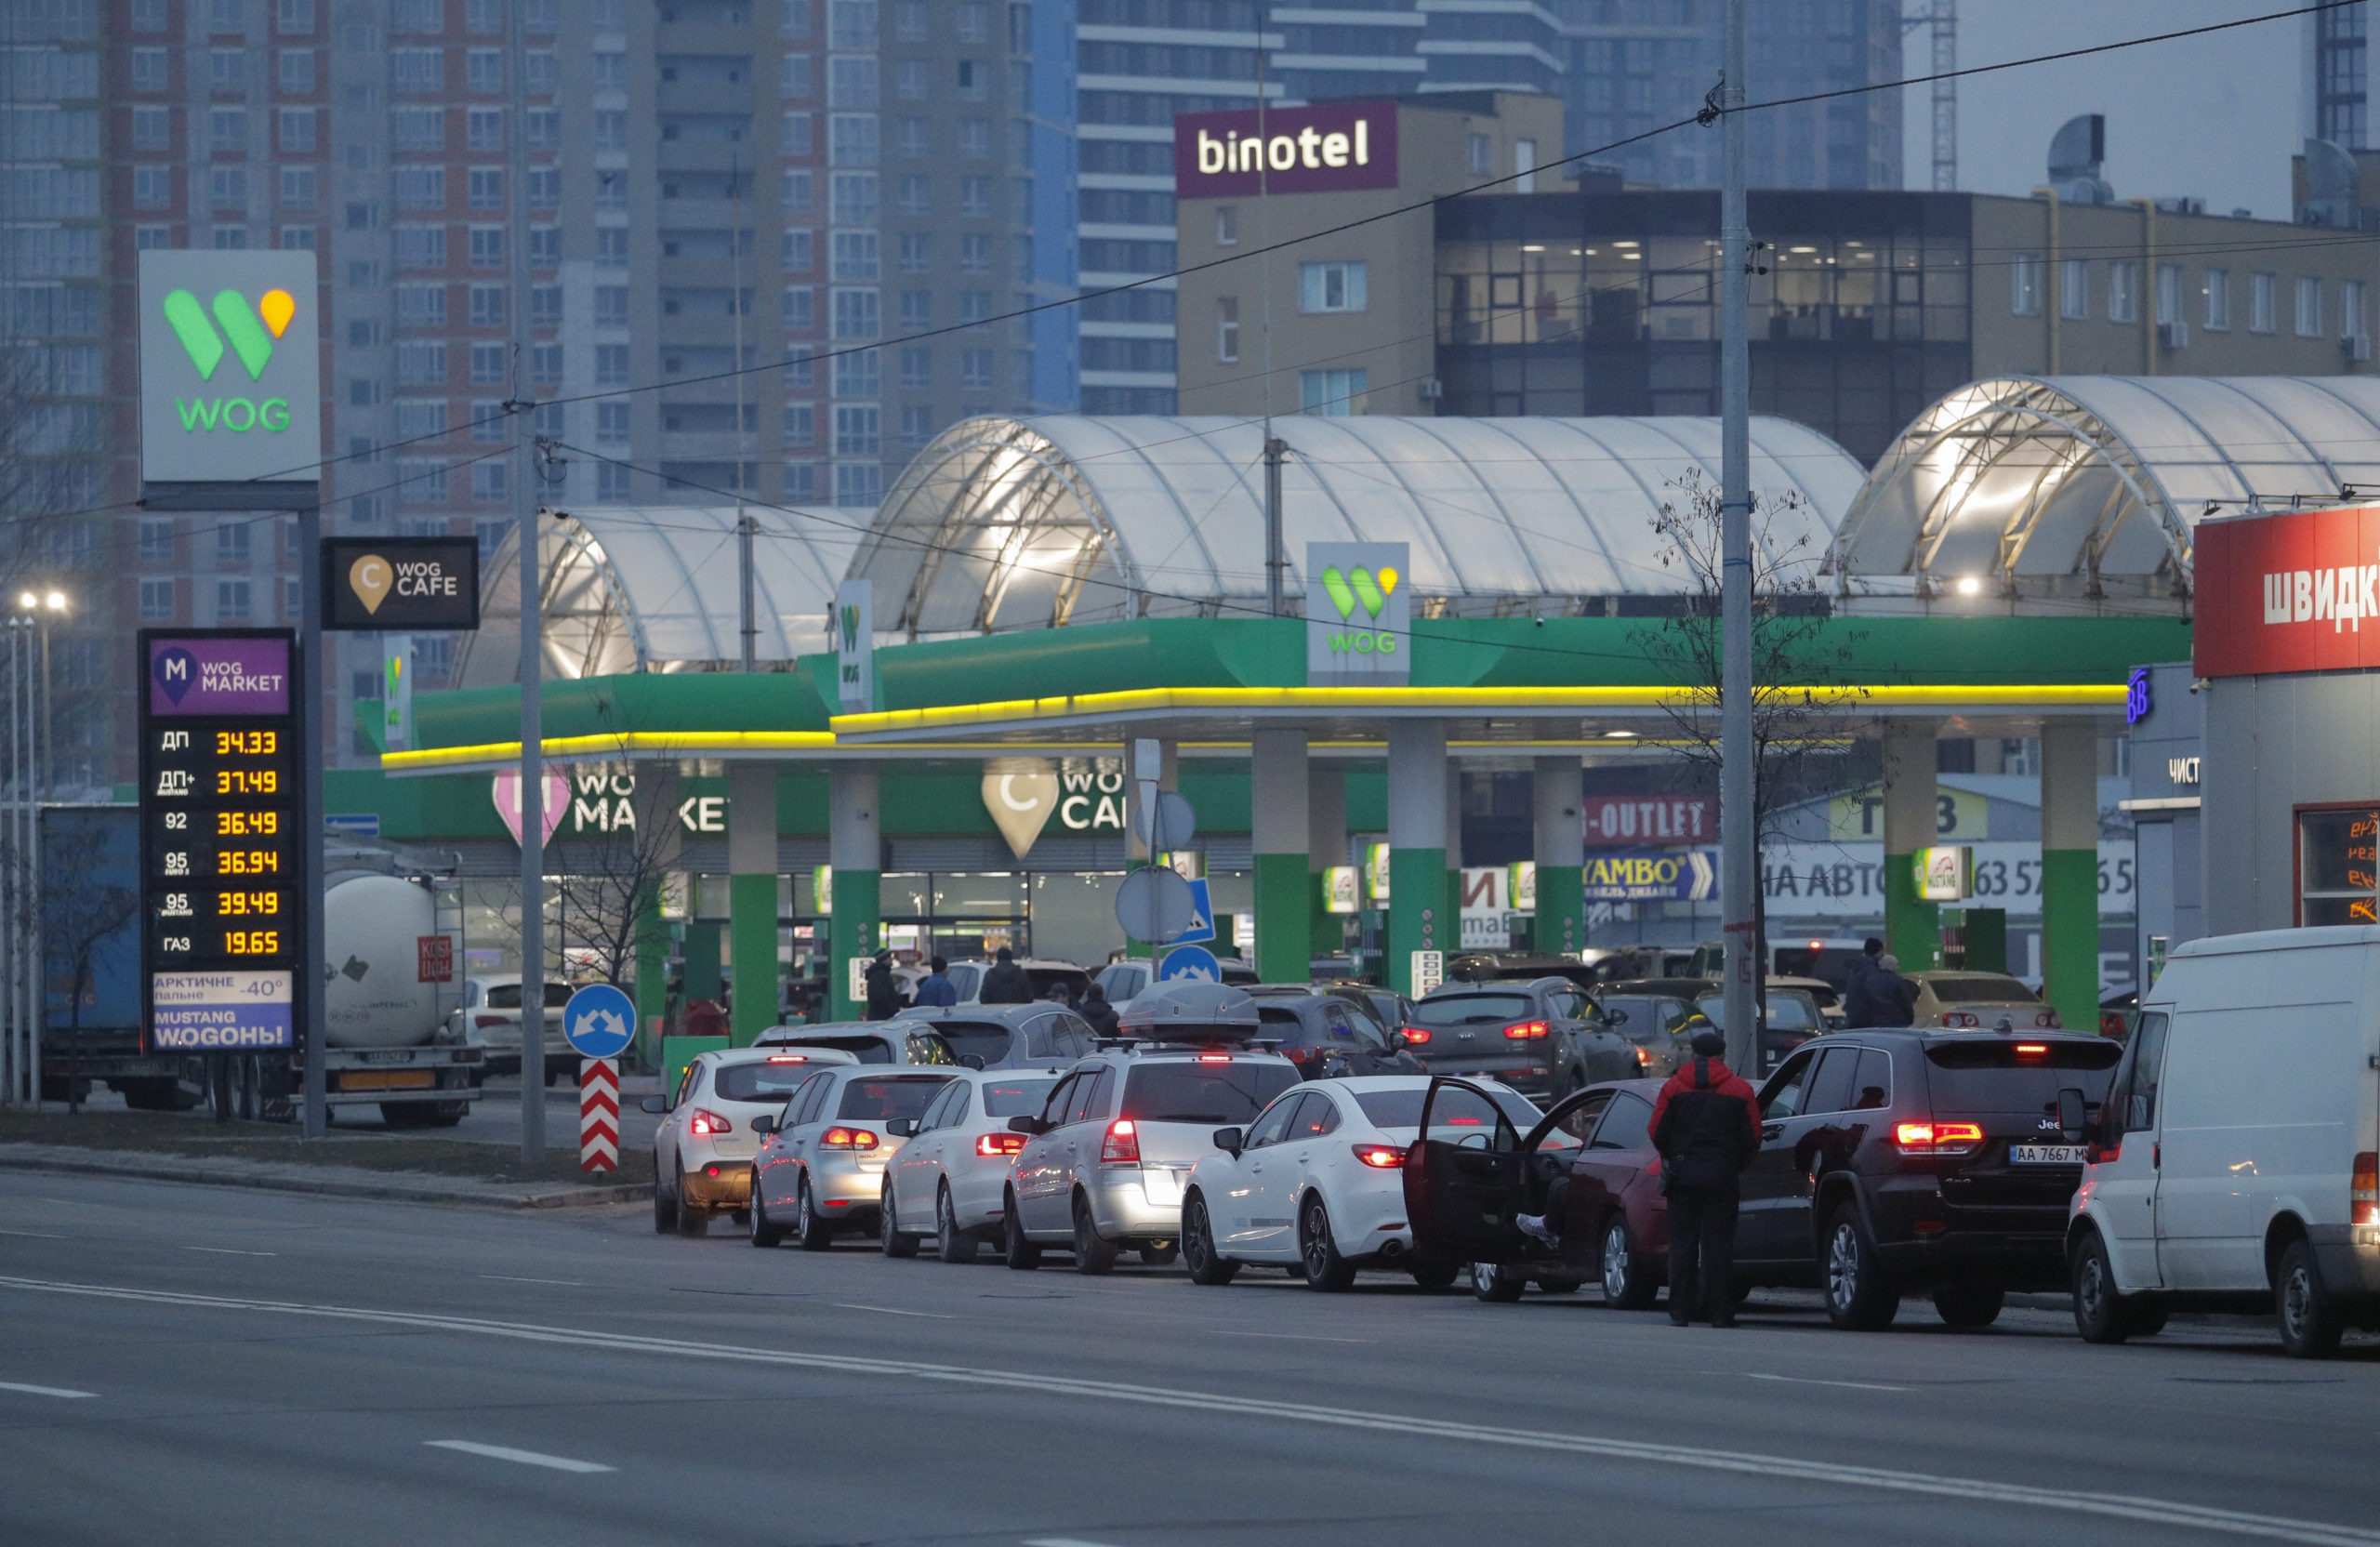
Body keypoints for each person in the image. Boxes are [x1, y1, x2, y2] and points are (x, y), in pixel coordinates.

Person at [1648, 1027, 1761, 1328]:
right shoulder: (1740, 1089)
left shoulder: (1673, 1087)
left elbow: (1656, 1130)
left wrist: (1671, 1157)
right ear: (1722, 1056)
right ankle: (1721, 1312)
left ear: (1693, 1054)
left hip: (1683, 1176)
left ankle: (1680, 1311)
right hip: (1722, 1176)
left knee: (1682, 1245)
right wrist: (1736, 1164)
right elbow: (1753, 1136)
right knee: (1719, 1246)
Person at [1840, 936, 1888, 1028]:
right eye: (1882, 951)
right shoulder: (1870, 970)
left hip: (1854, 1015)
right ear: (1877, 951)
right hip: (1867, 1018)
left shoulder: (1856, 967)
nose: (1883, 954)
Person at [1871, 953, 1917, 1027]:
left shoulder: (1872, 981)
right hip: (1896, 1022)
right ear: (1890, 965)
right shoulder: (1897, 982)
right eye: (1896, 965)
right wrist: (1909, 1018)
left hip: (1877, 1022)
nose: (1898, 968)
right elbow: (1905, 1001)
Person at [863, 949, 902, 1021]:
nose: (891, 959)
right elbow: (882, 997)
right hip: (883, 1018)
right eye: (889, 957)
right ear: (884, 959)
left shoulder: (877, 974)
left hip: (879, 1017)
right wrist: (893, 1009)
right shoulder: (880, 975)